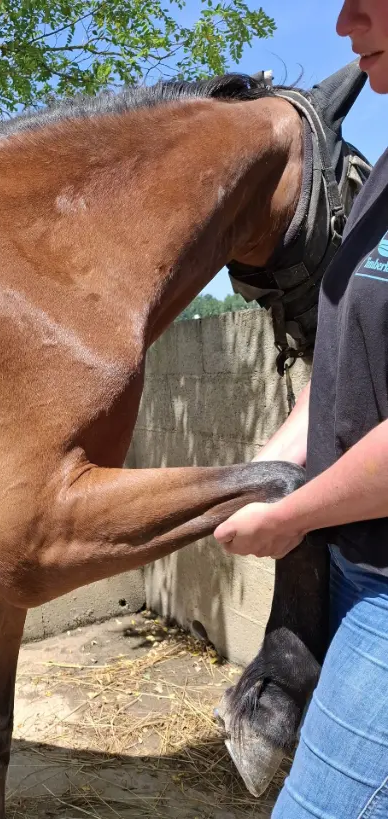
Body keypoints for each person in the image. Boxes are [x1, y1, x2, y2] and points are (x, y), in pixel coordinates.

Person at [214, 2, 388, 815]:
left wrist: (293, 514)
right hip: (354, 565)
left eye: (368, 0)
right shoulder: (383, 178)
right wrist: (271, 464)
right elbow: (345, 367)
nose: (347, 25)